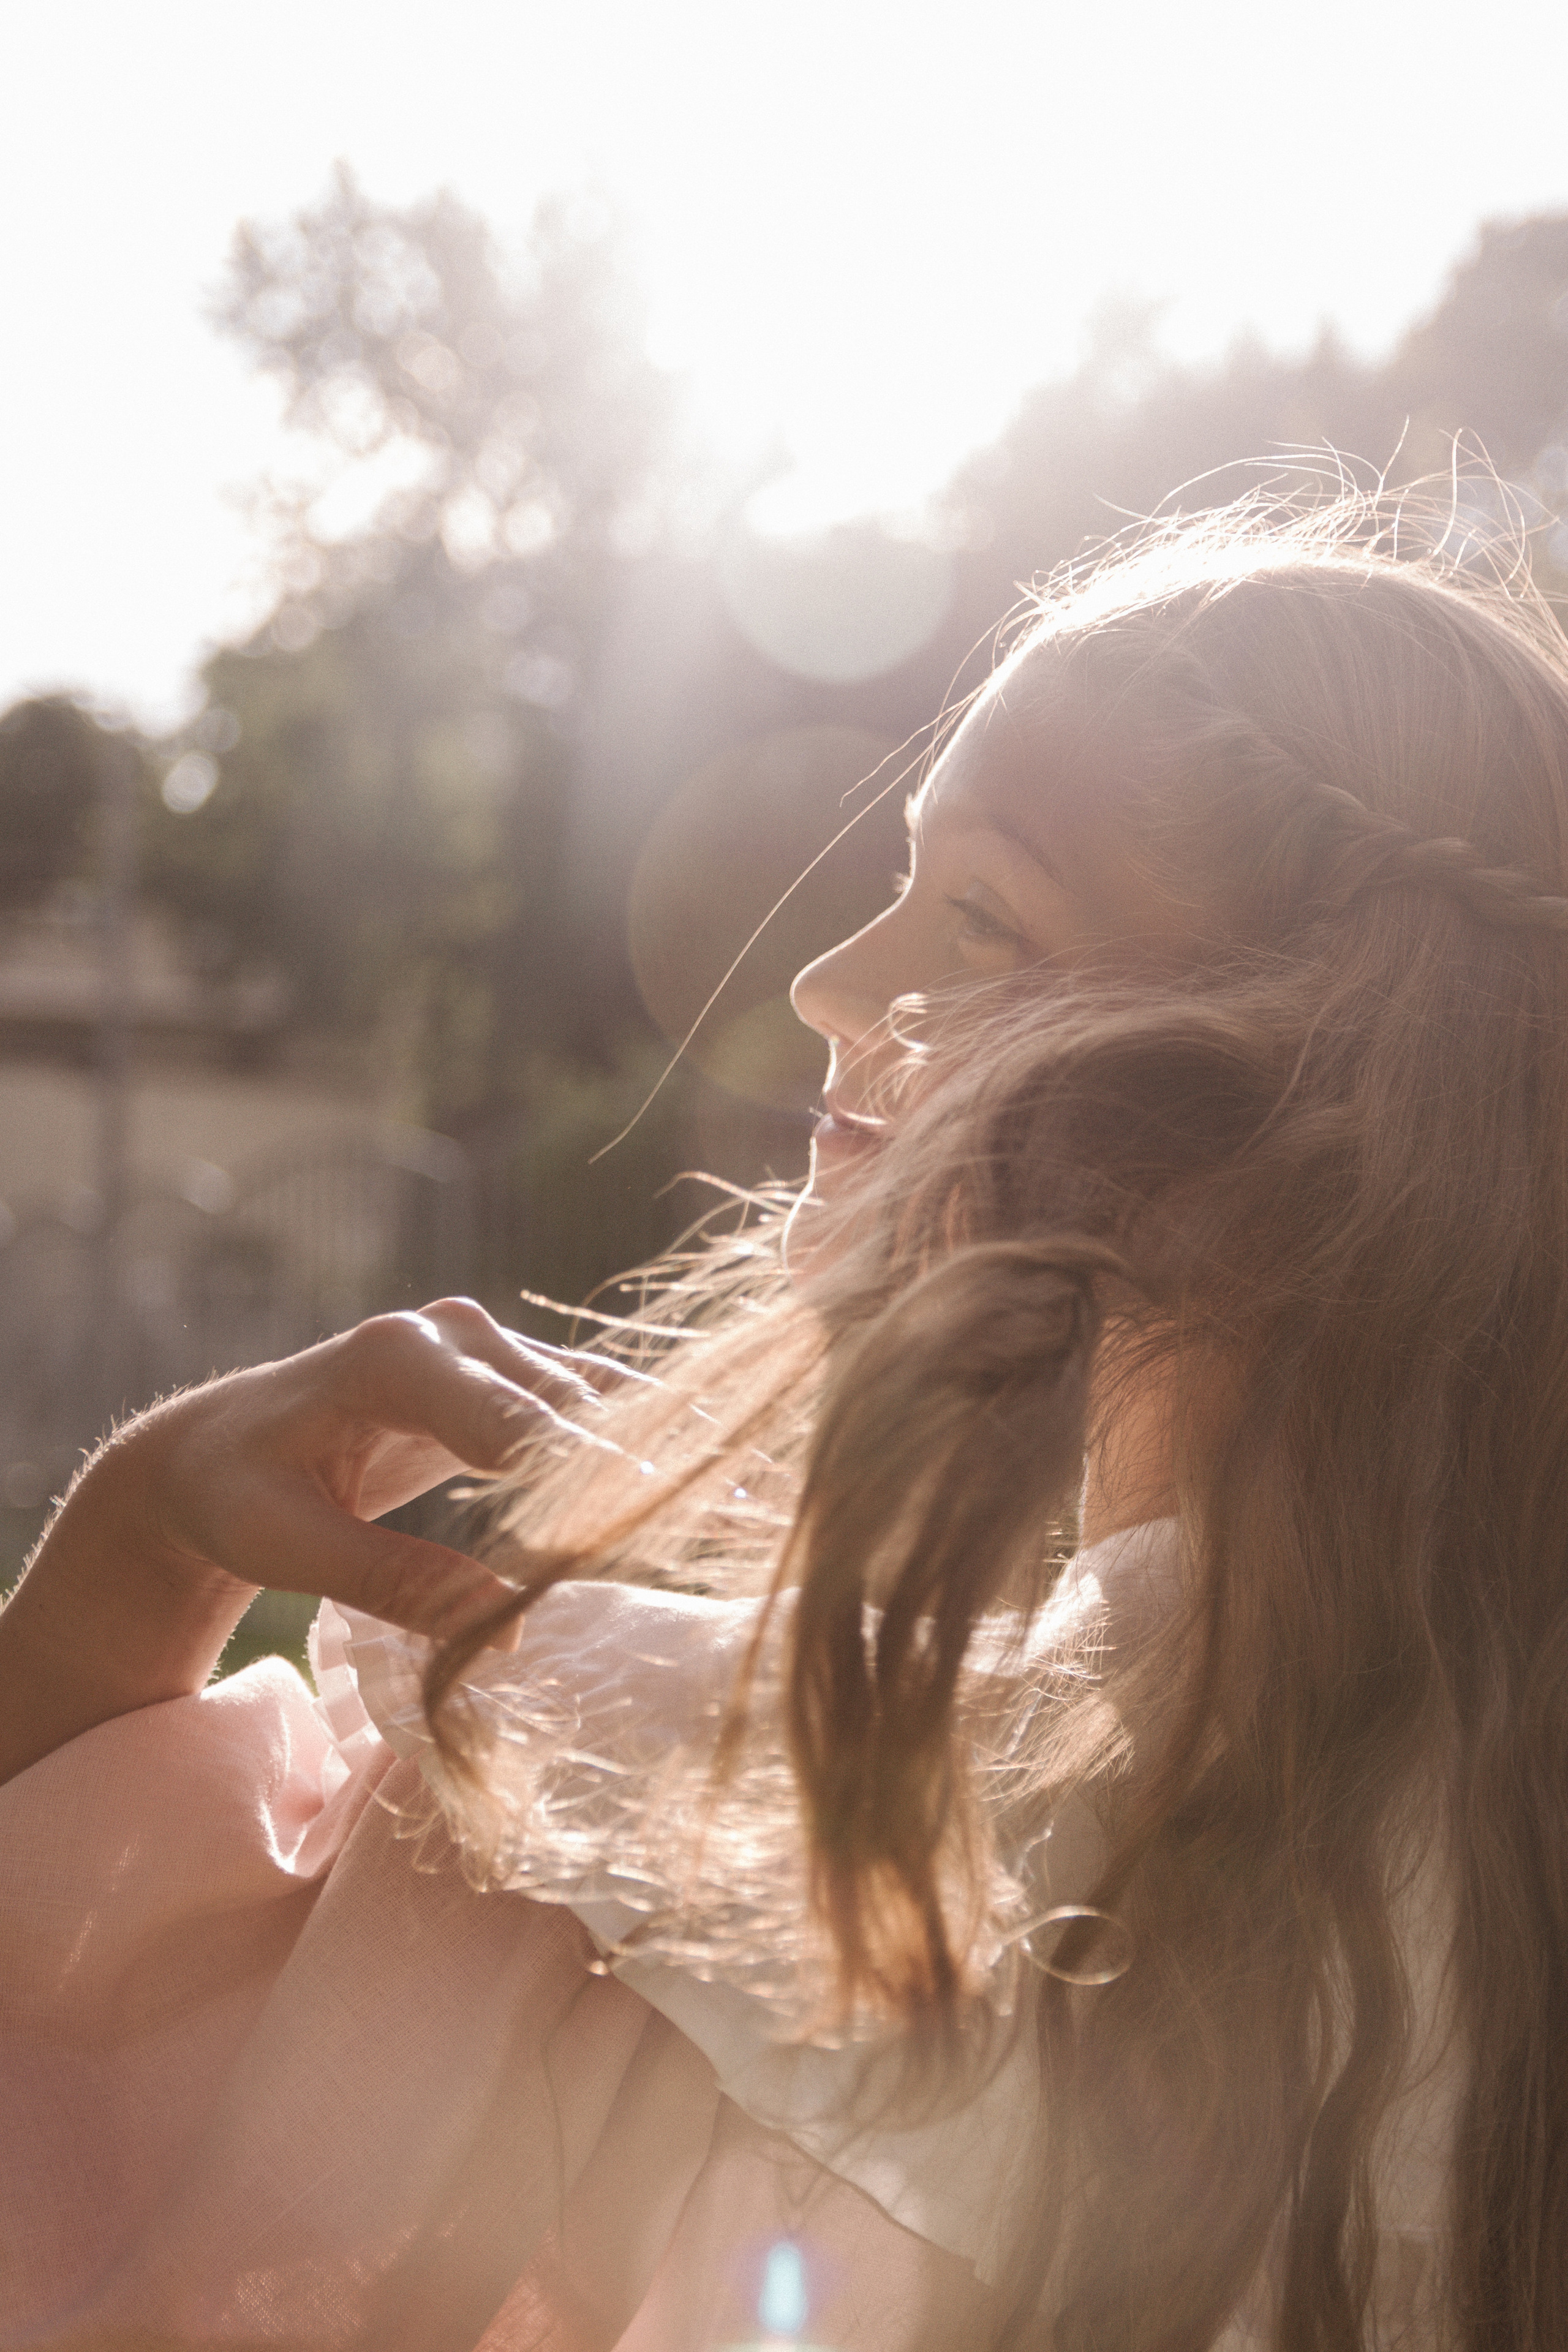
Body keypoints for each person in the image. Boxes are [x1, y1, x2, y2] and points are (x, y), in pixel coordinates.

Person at [4, 485, 1567, 2352]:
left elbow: (83, 2142)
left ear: (1327, 1094)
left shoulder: (673, 1836)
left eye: (982, 912)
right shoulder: (1495, 1909)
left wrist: (153, 1529)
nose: (832, 980)